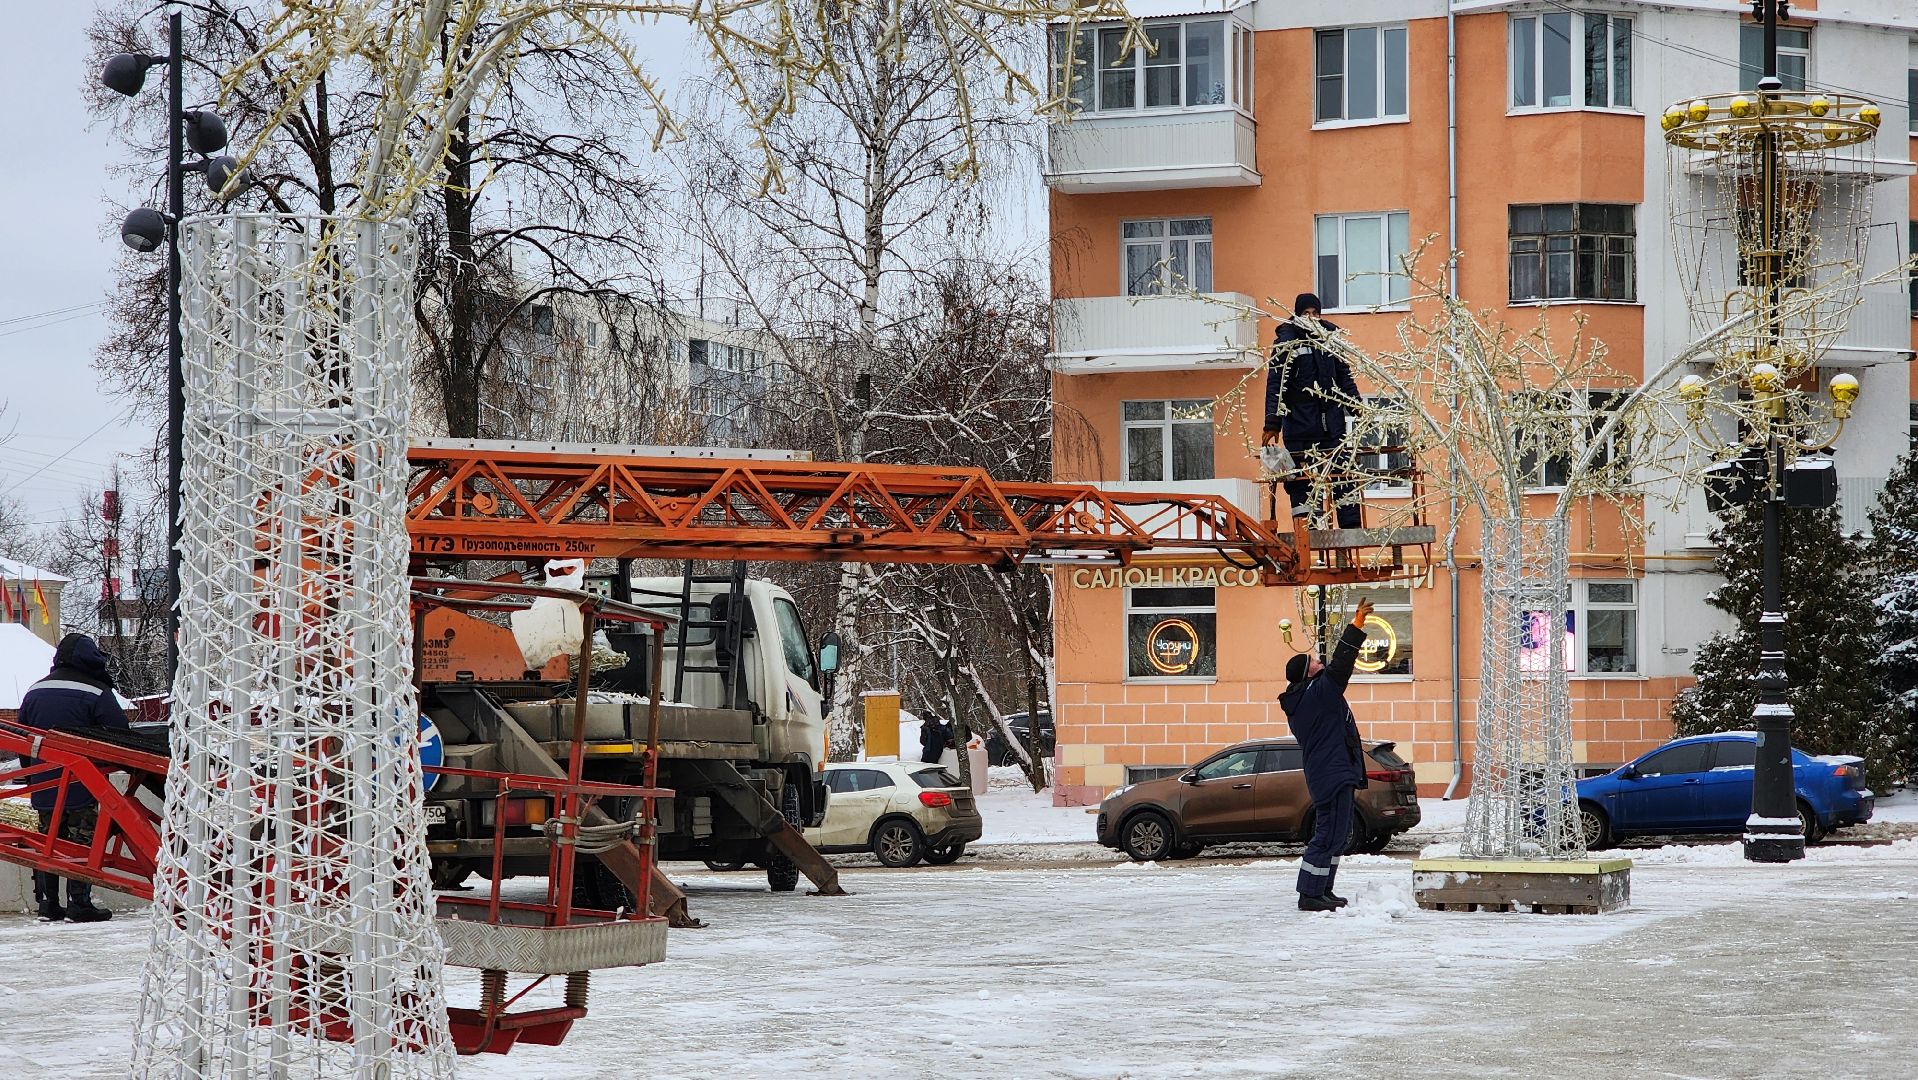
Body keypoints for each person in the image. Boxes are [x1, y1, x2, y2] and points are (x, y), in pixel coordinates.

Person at [17, 633, 129, 923]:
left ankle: (48, 905)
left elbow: (23, 739)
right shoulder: (95, 690)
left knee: (49, 843)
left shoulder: (35, 690)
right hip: (82, 783)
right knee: (81, 842)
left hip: (43, 784)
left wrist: (32, 780)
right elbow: (120, 734)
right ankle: (79, 903)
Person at [1278, 599, 1374, 912]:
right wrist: (1355, 627)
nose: (1320, 663)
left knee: (1335, 836)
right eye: (1314, 662)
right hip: (1332, 775)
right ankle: (1309, 894)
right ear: (1308, 674)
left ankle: (1322, 889)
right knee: (1327, 835)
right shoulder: (1318, 693)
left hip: (1331, 773)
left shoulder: (1308, 697)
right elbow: (1342, 663)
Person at [1265, 292, 1363, 530]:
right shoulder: (1287, 343)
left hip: (1332, 427)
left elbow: (1344, 379)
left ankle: (1350, 534)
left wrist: (1358, 408)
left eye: (1315, 313)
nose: (1311, 317)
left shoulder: (1330, 340)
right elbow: (1276, 385)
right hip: (1300, 428)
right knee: (1303, 484)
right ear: (1298, 315)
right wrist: (1272, 423)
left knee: (1344, 476)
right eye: (1306, 313)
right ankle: (1309, 536)